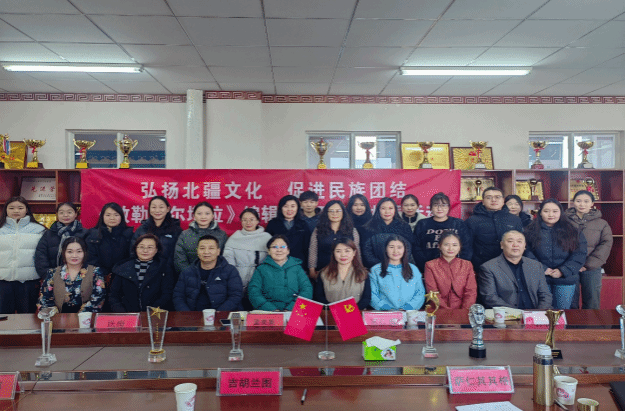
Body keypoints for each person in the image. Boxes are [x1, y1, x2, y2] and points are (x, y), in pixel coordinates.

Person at [524, 199, 586, 310]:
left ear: (561, 213)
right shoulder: (530, 230)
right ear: (540, 213)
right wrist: (542, 269)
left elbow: (579, 254)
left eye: (555, 211)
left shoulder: (573, 231)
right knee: (541, 313)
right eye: (546, 211)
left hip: (565, 279)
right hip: (540, 278)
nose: (551, 214)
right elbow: (526, 253)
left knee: (560, 313)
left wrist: (562, 271)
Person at [479, 230, 552, 309]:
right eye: (510, 241)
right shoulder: (489, 267)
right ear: (502, 245)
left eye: (519, 241)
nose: (515, 245)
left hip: (535, 312)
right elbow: (490, 297)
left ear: (524, 245)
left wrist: (539, 313)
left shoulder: (536, 266)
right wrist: (515, 313)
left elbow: (545, 294)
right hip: (506, 313)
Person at [565, 190, 613, 309]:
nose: (582, 204)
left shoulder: (602, 223)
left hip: (592, 267)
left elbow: (606, 244)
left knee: (592, 302)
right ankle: (571, 322)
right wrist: (571, 263)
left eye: (586, 201)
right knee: (570, 302)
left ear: (592, 203)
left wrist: (588, 264)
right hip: (569, 267)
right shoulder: (564, 221)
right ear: (573, 202)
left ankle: (590, 322)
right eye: (578, 201)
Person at [0, 196, 46, 314]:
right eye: (11, 208)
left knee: (27, 317)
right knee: (3, 318)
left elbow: (44, 255)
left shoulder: (39, 230)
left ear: (26, 209)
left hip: (28, 282)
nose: (16, 211)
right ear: (6, 210)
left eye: (20, 208)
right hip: (3, 282)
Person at [173, 235, 243, 311]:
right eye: (202, 248)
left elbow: (235, 296)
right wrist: (187, 315)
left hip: (221, 314)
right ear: (197, 251)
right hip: (192, 315)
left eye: (211, 248)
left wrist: (217, 314)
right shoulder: (187, 272)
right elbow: (178, 296)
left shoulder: (230, 271)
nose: (206, 252)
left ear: (218, 251)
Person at [109, 234, 175, 312]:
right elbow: (114, 296)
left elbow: (167, 295)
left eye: (150, 247)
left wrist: (151, 312)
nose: (145, 251)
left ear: (157, 250)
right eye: (141, 247)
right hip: (127, 314)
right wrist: (123, 313)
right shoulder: (122, 268)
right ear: (135, 248)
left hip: (155, 314)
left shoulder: (164, 268)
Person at [38, 237, 106, 313]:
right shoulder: (53, 273)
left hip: (85, 317)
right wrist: (56, 316)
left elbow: (98, 299)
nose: (74, 255)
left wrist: (80, 316)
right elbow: (44, 300)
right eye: (70, 252)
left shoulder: (95, 272)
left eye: (79, 251)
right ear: (64, 253)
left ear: (85, 252)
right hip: (58, 317)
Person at [247, 235, 313, 311]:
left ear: (288, 251)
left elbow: (307, 290)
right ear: (268, 251)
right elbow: (253, 292)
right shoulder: (261, 269)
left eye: (283, 247)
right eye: (274, 247)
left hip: (294, 311)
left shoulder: (297, 268)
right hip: (268, 312)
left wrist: (291, 308)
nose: (279, 250)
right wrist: (271, 309)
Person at [465, 187, 523, 272]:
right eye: (489, 197)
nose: (493, 200)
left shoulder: (515, 220)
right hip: (482, 267)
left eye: (497, 197)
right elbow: (467, 247)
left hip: (510, 266)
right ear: (483, 201)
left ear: (503, 200)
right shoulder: (472, 221)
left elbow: (521, 243)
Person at [223, 208, 271, 308]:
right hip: (238, 284)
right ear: (241, 222)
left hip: (261, 284)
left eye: (251, 219)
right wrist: (235, 282)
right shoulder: (234, 238)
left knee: (259, 312)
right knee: (241, 313)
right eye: (244, 220)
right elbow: (228, 263)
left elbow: (271, 261)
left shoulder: (266, 238)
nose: (248, 223)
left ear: (257, 221)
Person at [413, 192, 472, 273]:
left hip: (455, 270)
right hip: (428, 269)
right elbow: (416, 248)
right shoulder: (422, 224)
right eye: (436, 205)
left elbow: (467, 248)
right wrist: (426, 267)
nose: (439, 209)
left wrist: (459, 267)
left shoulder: (458, 224)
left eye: (443, 205)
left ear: (448, 207)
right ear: (431, 208)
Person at [369, 235, 425, 311]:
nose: (395, 251)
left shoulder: (413, 269)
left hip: (409, 313)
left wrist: (407, 308)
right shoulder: (376, 270)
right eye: (391, 247)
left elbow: (420, 293)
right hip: (385, 313)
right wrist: (386, 309)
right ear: (385, 249)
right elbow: (372, 295)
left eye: (399, 247)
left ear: (404, 249)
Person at [423, 231, 477, 309]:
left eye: (455, 245)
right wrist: (447, 311)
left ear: (460, 247)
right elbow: (432, 292)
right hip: (438, 309)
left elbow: (471, 291)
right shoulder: (430, 265)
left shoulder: (467, 265)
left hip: (463, 309)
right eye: (446, 245)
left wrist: (464, 311)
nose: (450, 248)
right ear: (439, 246)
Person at [313, 238, 371, 310]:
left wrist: (350, 310)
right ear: (333, 253)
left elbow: (366, 298)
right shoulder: (323, 273)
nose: (343, 255)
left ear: (354, 253)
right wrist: (336, 310)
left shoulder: (363, 273)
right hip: (331, 313)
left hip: (355, 313)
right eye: (338, 251)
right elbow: (319, 297)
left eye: (347, 251)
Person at [35, 202, 88, 279]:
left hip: (80, 277)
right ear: (57, 214)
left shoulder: (85, 233)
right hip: (54, 277)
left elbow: (89, 256)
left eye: (69, 212)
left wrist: (81, 275)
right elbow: (40, 256)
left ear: (76, 214)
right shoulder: (49, 234)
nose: (65, 215)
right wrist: (49, 275)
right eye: (61, 213)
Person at [308, 200, 359, 279]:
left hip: (347, 271)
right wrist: (311, 270)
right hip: (323, 270)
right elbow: (313, 251)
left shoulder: (352, 230)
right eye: (331, 211)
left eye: (338, 211)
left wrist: (358, 269)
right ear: (326, 213)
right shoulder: (318, 230)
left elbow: (357, 251)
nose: (335, 214)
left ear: (343, 212)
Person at [174, 201, 227, 274]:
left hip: (215, 276)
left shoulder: (221, 235)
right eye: (199, 213)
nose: (203, 217)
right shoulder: (185, 234)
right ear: (194, 216)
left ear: (212, 216)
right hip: (189, 276)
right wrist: (190, 275)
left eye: (207, 213)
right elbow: (179, 258)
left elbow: (224, 257)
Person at [360, 197, 413, 269]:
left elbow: (408, 249)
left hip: (399, 267)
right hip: (374, 268)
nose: (387, 212)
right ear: (378, 210)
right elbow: (366, 251)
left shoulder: (404, 226)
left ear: (395, 210)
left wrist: (396, 264)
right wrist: (379, 266)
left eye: (390, 208)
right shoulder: (368, 227)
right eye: (383, 208)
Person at [84, 202, 134, 278]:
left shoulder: (129, 235)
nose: (112, 218)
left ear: (121, 217)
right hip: (99, 277)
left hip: (123, 277)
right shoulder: (92, 235)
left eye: (116, 215)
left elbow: (131, 259)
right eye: (108, 215)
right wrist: (103, 274)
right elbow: (91, 259)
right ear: (102, 217)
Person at [130, 196, 182, 264]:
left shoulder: (176, 230)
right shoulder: (142, 229)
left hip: (168, 268)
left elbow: (179, 253)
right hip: (145, 267)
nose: (157, 210)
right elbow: (133, 251)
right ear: (149, 209)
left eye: (161, 207)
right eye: (154, 207)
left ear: (168, 209)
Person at [265, 195, 310, 269]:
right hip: (277, 264)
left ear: (298, 208)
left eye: (293, 206)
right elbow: (268, 246)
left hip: (298, 264)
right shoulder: (273, 224)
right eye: (285, 206)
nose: (289, 209)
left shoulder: (303, 224)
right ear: (281, 208)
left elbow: (307, 247)